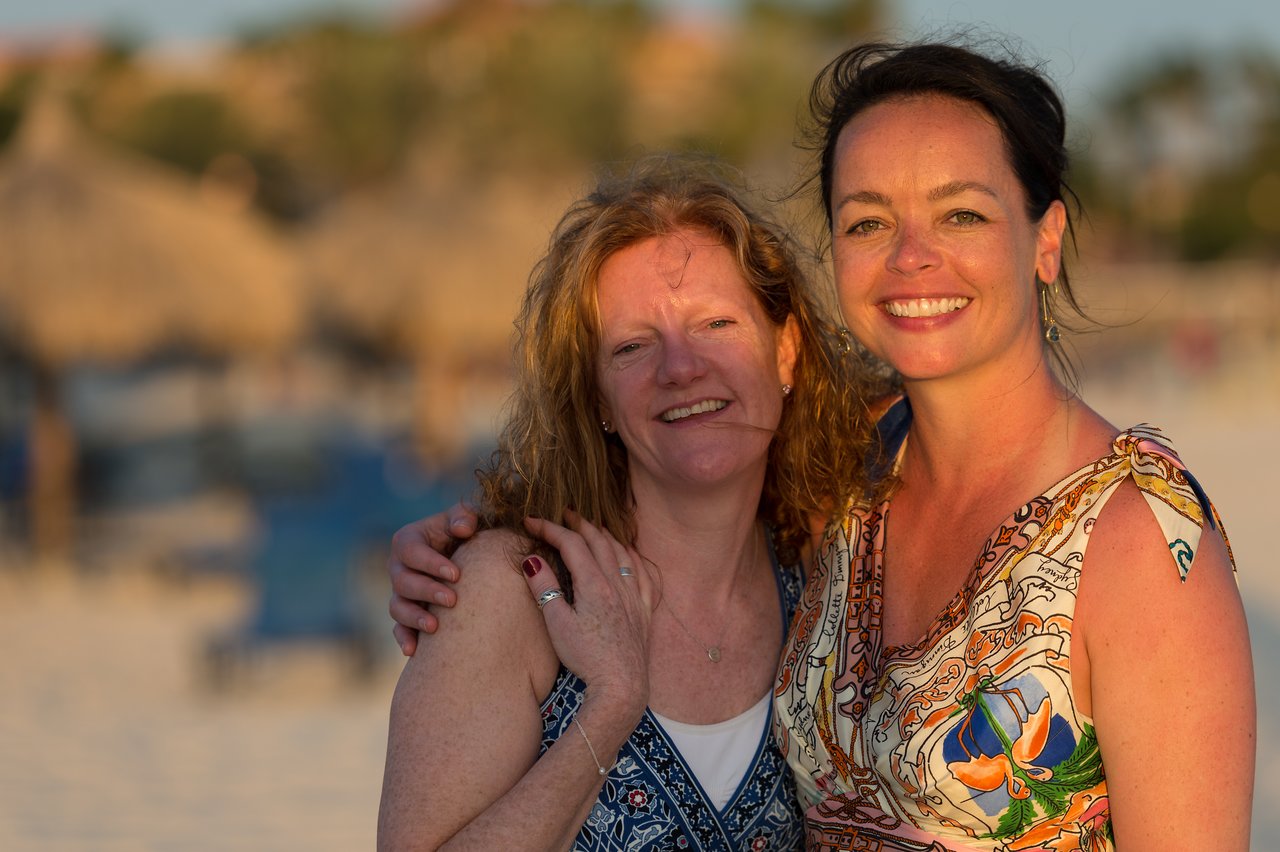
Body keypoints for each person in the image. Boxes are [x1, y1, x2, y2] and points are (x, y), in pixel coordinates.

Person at [388, 40, 1256, 851]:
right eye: (868, 222)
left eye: (961, 214)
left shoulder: (1140, 540)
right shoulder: (846, 480)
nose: (912, 257)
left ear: (1047, 239)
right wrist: (462, 550)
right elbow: (686, 465)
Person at [377, 154, 884, 850]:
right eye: (633, 346)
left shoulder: (821, 582)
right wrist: (611, 705)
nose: (681, 367)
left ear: (786, 350)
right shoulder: (513, 591)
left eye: (716, 325)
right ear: (598, 399)